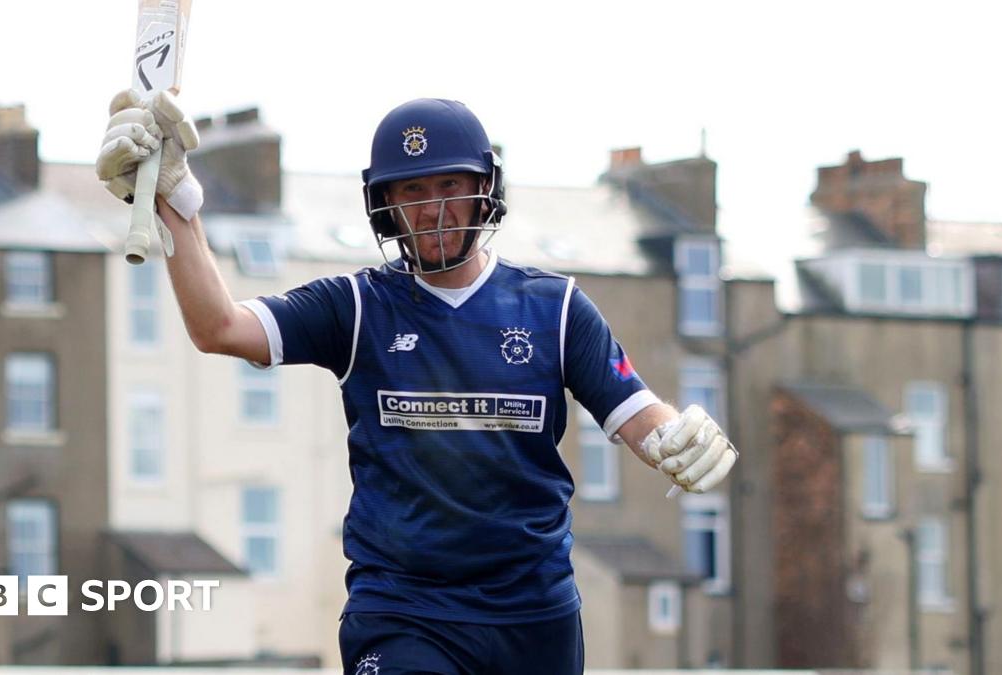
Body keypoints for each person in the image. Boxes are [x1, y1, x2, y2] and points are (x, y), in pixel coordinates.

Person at [96, 91, 738, 675]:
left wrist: (676, 435)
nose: (432, 210)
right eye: (411, 191)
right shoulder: (355, 307)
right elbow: (220, 327)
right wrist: (174, 204)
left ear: (485, 188)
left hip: (532, 615)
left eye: (449, 184)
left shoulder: (557, 308)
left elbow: (636, 414)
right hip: (402, 610)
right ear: (385, 205)